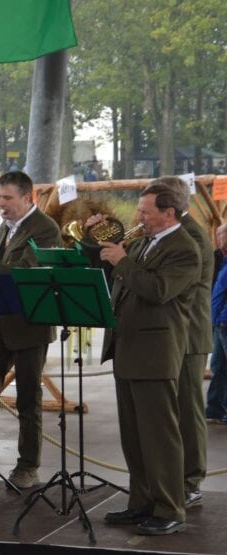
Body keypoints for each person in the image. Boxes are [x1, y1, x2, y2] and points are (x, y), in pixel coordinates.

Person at [98, 182, 199, 535]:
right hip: (127, 349)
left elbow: (159, 291)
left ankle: (170, 507)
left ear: (168, 213)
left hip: (155, 353)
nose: (137, 217)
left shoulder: (184, 248)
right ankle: (140, 502)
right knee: (134, 436)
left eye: (145, 211)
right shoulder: (142, 242)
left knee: (160, 436)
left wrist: (123, 261)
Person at [0, 171, 61, 489]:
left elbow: (24, 273)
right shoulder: (7, 227)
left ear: (28, 198)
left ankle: (28, 466)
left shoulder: (45, 228)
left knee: (27, 398)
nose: (1, 203)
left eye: (7, 198)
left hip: (30, 326)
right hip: (0, 321)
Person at [155, 176, 212, 508]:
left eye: (152, 208)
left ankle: (191, 479)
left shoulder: (191, 236)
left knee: (189, 410)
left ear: (170, 208)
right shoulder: (177, 231)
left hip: (189, 335)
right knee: (173, 408)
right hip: (172, 334)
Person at [207, 224, 227, 424]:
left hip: (224, 321)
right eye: (219, 235)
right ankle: (214, 409)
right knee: (218, 365)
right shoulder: (217, 258)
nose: (220, 238)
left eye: (224, 236)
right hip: (219, 321)